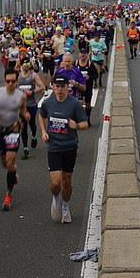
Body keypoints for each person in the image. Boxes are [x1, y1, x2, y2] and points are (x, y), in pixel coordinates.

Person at [39, 73, 89, 224]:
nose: (60, 90)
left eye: (62, 87)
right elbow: (41, 116)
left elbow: (85, 124)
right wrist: (43, 131)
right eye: (57, 86)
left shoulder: (74, 104)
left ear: (68, 87)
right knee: (55, 183)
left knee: (66, 181)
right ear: (53, 87)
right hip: (54, 146)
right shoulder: (48, 102)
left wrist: (76, 126)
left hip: (69, 146)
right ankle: (56, 198)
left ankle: (66, 206)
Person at [0, 71, 27, 211]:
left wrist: (22, 119)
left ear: (16, 82)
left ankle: (8, 196)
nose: (10, 84)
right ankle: (13, 172)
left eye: (13, 81)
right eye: (8, 81)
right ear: (4, 81)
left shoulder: (21, 96)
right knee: (5, 163)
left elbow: (23, 112)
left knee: (10, 160)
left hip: (13, 132)